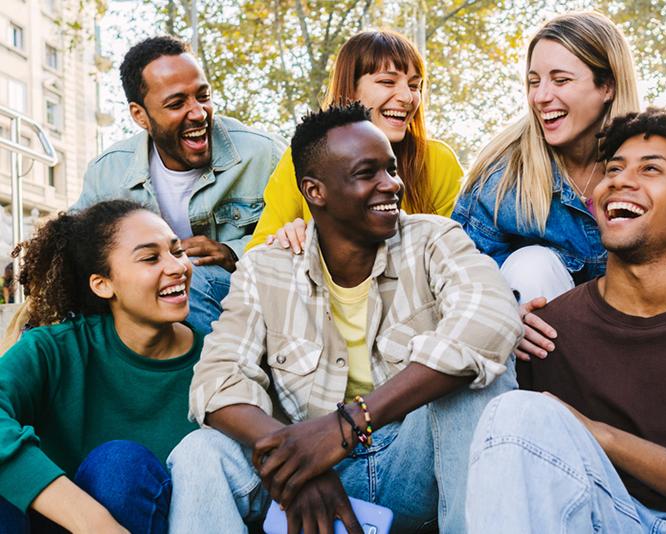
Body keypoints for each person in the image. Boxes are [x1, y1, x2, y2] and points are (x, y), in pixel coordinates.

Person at [167, 104, 522, 534]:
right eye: (366, 173)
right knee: (200, 452)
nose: (391, 184)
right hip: (312, 474)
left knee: (476, 389)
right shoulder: (266, 268)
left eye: (390, 169)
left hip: (413, 466)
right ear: (315, 191)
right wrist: (297, 457)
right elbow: (217, 378)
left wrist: (348, 424)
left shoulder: (433, 239)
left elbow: (491, 320)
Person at [466, 108, 666, 533]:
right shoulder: (547, 331)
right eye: (612, 169)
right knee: (514, 411)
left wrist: (597, 436)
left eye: (650, 169)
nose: (620, 179)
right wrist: (499, 330)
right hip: (601, 519)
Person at [453, 11, 666, 310]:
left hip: (648, 331)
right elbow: (459, 274)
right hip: (547, 340)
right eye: (534, 82)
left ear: (608, 87)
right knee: (531, 264)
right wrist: (505, 315)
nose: (541, 97)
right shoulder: (504, 177)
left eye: (561, 80)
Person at [0, 200, 203, 533]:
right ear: (102, 284)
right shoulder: (55, 350)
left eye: (177, 251)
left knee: (120, 467)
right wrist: (90, 520)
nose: (177, 266)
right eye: (151, 258)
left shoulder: (219, 363)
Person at [74, 36, 286, 334]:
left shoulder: (264, 154)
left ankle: (214, 379)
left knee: (189, 277)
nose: (198, 113)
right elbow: (71, 247)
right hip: (144, 304)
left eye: (203, 96)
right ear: (140, 115)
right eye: (177, 103)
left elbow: (310, 232)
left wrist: (233, 251)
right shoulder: (107, 172)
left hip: (242, 294)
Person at [245, 29, 463, 253]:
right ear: (351, 89)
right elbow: (256, 253)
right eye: (387, 82)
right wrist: (285, 240)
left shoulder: (437, 160)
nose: (407, 97)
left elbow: (458, 250)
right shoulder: (302, 158)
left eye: (414, 85)